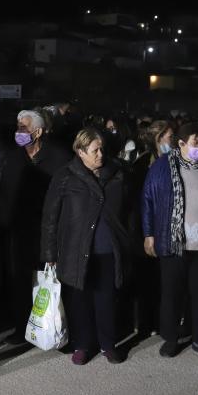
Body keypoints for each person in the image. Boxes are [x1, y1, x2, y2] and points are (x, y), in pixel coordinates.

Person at [41, 128, 129, 364]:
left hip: (108, 249)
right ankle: (82, 344)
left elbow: (128, 212)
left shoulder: (117, 174)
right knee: (79, 301)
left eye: (102, 149)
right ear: (80, 152)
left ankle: (108, 344)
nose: (100, 154)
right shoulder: (65, 176)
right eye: (94, 150)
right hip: (75, 250)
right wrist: (49, 252)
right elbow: (51, 216)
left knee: (106, 300)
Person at [142, 121, 198, 359]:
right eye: (194, 141)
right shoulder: (162, 166)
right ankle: (171, 338)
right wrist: (149, 234)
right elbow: (147, 200)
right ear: (180, 144)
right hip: (174, 243)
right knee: (172, 293)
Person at [0, 109, 71, 341]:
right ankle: (22, 329)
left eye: (24, 128)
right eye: (18, 127)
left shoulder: (59, 157)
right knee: (19, 281)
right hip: (19, 231)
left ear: (38, 132)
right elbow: (5, 192)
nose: (19, 132)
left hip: (49, 229)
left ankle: (54, 327)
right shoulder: (13, 156)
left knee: (50, 280)